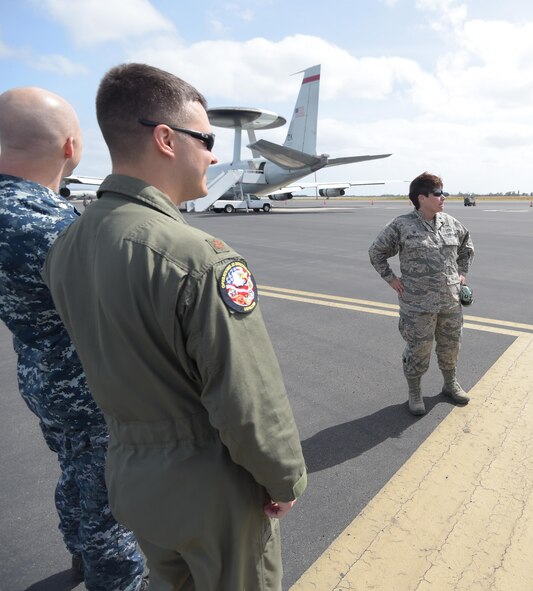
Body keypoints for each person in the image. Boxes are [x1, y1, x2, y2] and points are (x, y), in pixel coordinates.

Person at [42, 64, 308, 589]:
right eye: (206, 137)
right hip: (209, 486)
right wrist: (283, 476)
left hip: (133, 477)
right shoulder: (195, 257)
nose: (213, 152)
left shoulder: (68, 245)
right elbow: (246, 396)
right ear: (166, 138)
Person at [0, 87, 146, 590]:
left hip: (41, 375)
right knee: (109, 496)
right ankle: (116, 578)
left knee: (74, 469)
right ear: (70, 147)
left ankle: (80, 553)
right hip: (86, 387)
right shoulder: (53, 226)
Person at [369, 172, 475, 415]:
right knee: (419, 349)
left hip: (450, 301)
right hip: (417, 304)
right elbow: (376, 252)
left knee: (451, 346)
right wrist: (391, 279)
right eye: (437, 193)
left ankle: (450, 384)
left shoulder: (450, 223)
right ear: (421, 198)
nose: (443, 198)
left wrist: (461, 273)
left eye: (442, 193)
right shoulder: (401, 225)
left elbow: (466, 246)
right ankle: (415, 392)